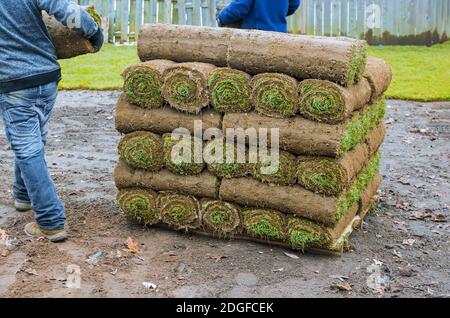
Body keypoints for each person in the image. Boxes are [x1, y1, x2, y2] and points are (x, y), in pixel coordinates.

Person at [0, 0, 103, 242]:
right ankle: (23, 195)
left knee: (26, 147)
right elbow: (65, 9)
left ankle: (50, 221)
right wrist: (93, 32)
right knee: (32, 140)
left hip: (15, 82)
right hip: (46, 76)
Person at [217, 0, 301, 33]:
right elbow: (294, 4)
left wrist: (222, 18)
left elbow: (240, 7)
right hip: (280, 34)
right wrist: (275, 14)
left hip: (255, 36)